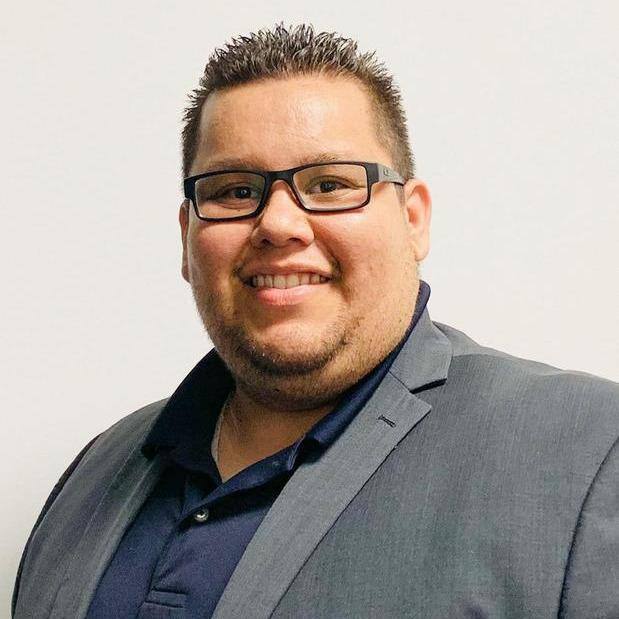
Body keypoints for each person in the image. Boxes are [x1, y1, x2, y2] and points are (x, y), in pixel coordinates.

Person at [12, 22, 619, 619]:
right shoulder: (94, 474)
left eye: (330, 184)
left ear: (413, 220)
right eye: (234, 191)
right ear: (187, 237)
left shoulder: (590, 453)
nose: (278, 224)